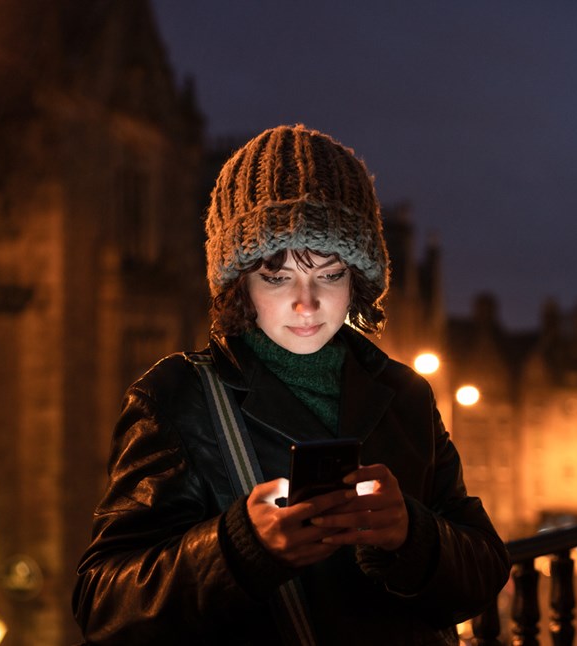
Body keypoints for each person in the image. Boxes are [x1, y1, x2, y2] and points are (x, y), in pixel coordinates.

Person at [72, 124, 510, 645]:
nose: (307, 303)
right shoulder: (174, 398)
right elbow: (103, 603)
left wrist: (413, 536)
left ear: (358, 280)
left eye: (328, 274)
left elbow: (484, 568)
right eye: (276, 277)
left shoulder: (405, 393)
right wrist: (236, 549)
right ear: (240, 284)